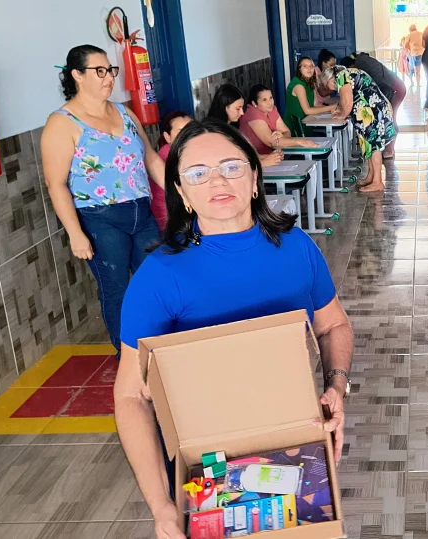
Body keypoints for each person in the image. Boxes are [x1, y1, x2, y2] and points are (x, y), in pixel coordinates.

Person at [114, 119, 353, 538]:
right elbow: (131, 395)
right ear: (181, 192)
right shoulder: (160, 276)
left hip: (297, 444)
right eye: (197, 173)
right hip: (208, 464)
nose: (217, 181)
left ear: (255, 177)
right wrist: (161, 505)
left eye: (231, 166)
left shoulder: (296, 247)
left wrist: (336, 384)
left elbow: (333, 324)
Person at [40, 45, 165, 353]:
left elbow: (150, 157)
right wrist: (75, 234)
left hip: (141, 212)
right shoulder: (63, 123)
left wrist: (183, 194)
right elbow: (56, 184)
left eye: (110, 70)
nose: (109, 77)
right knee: (117, 290)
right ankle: (129, 359)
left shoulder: (125, 112)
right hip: (100, 219)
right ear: (77, 75)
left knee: (156, 281)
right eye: (99, 71)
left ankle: (161, 349)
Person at [321, 65, 397, 192]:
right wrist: (341, 111)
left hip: (375, 112)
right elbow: (349, 100)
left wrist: (342, 115)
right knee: (368, 146)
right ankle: (371, 176)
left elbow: (348, 103)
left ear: (330, 80)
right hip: (370, 112)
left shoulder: (342, 77)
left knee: (374, 147)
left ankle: (377, 182)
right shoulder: (346, 74)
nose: (331, 89)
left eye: (327, 85)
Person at [343, 52, 405, 158]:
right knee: (388, 117)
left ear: (350, 67)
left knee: (390, 118)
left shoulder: (361, 63)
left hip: (394, 88)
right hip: (393, 87)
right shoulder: (362, 61)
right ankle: (388, 148)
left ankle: (389, 150)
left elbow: (376, 82)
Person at [240, 84, 318, 157]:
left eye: (271, 98)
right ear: (254, 103)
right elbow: (271, 142)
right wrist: (299, 142)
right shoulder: (253, 114)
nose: (269, 103)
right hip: (255, 160)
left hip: (271, 156)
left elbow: (287, 132)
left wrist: (282, 135)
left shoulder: (271, 110)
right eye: (264, 100)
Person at [153, 111, 193, 230]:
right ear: (167, 137)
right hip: (172, 222)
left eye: (191, 129)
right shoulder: (168, 157)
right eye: (180, 131)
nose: (188, 134)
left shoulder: (185, 152)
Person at [284, 56, 338, 138]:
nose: (309, 69)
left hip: (307, 121)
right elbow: (307, 111)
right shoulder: (298, 85)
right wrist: (331, 107)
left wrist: (333, 110)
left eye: (311, 66)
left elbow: (315, 105)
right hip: (295, 127)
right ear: (299, 69)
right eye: (305, 66)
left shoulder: (310, 82)